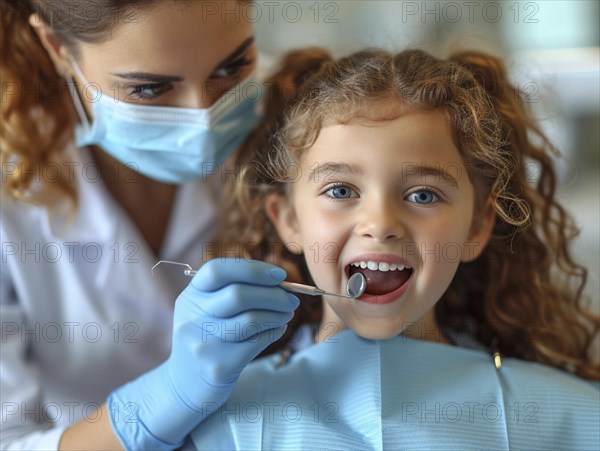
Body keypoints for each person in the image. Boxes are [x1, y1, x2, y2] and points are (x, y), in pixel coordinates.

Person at [183, 47, 600, 448]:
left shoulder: (570, 419)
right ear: (288, 219)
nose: (380, 225)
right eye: (341, 189)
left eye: (423, 195)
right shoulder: (221, 419)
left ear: (478, 226)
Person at [2, 1, 300, 450]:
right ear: (56, 47)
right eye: (149, 89)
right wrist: (163, 401)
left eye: (233, 67)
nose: (202, 117)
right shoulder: (11, 196)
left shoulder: (302, 125)